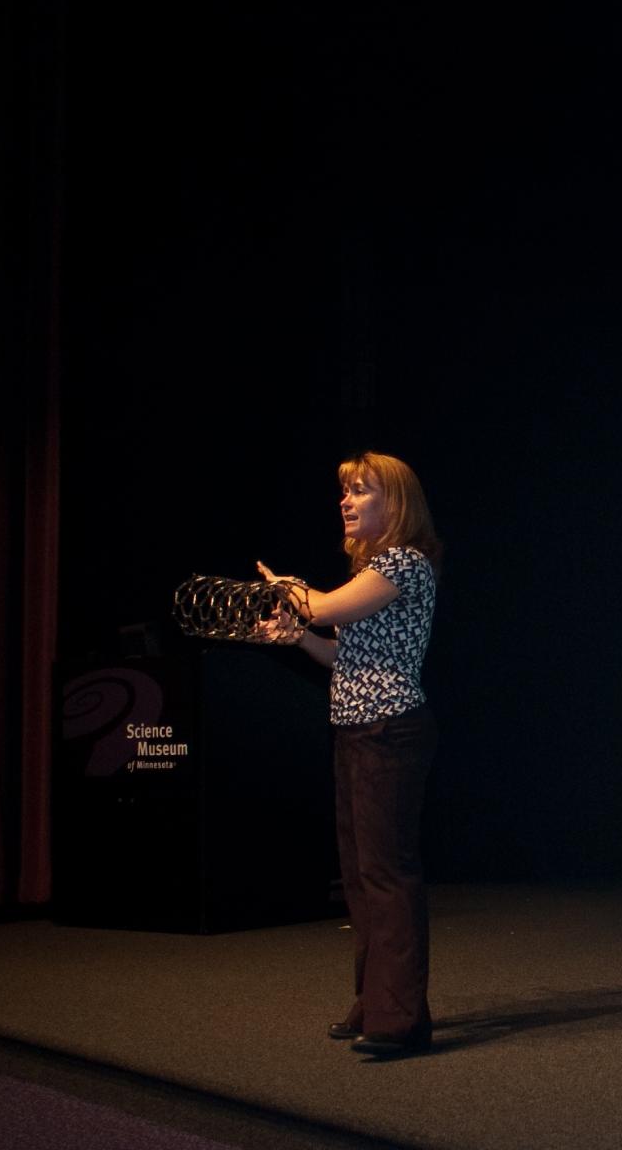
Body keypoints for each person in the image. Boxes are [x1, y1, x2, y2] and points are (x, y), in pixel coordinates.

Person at [258, 451, 442, 1057]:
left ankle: (402, 1019)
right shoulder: (373, 569)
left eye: (360, 491)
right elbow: (342, 656)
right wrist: (299, 637)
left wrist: (289, 591)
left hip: (389, 730)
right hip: (355, 729)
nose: (346, 501)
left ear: (395, 503)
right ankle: (374, 1001)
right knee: (363, 879)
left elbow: (325, 604)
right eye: (345, 492)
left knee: (387, 875)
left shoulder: (403, 562)